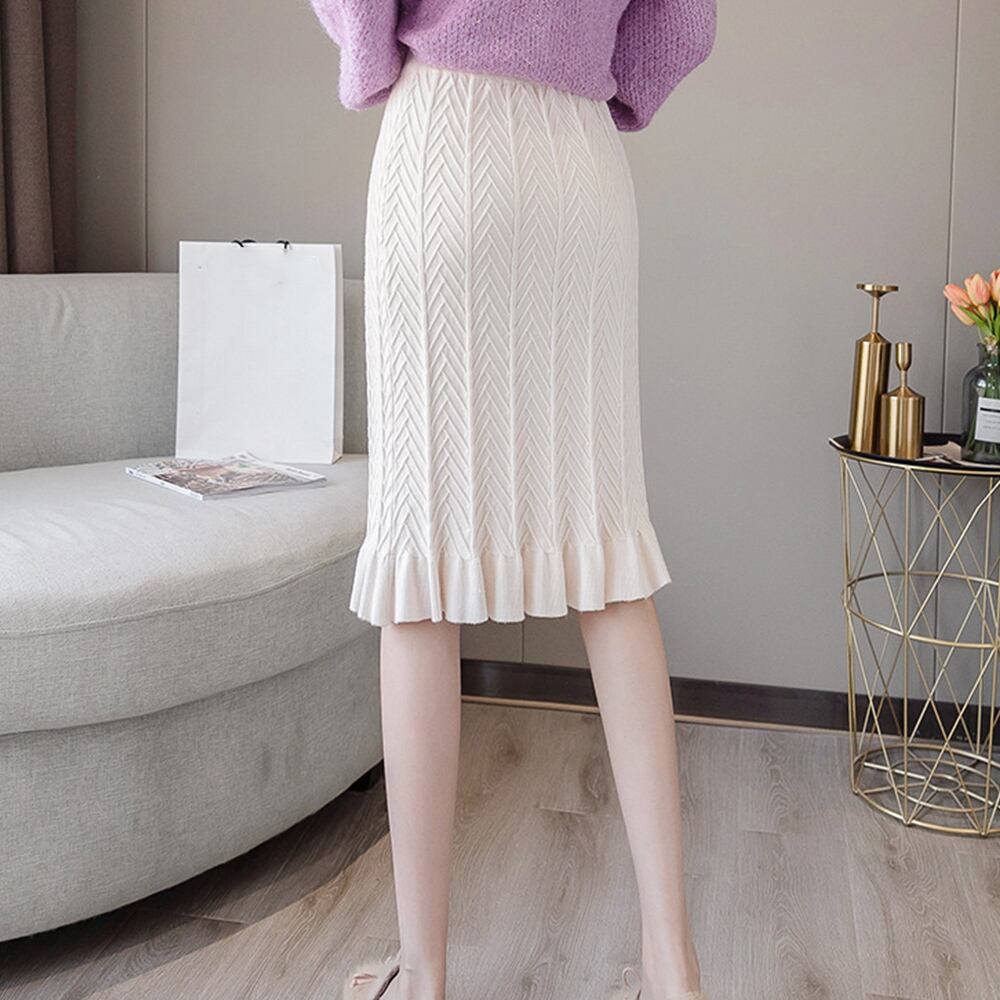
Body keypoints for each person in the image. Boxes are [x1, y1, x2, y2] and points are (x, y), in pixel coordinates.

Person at [306, 3, 718, 998]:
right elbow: (683, 22)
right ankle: (673, 967)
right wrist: (594, 71)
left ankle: (425, 973)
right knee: (610, 554)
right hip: (577, 172)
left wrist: (370, 57)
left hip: (442, 144)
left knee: (420, 570)